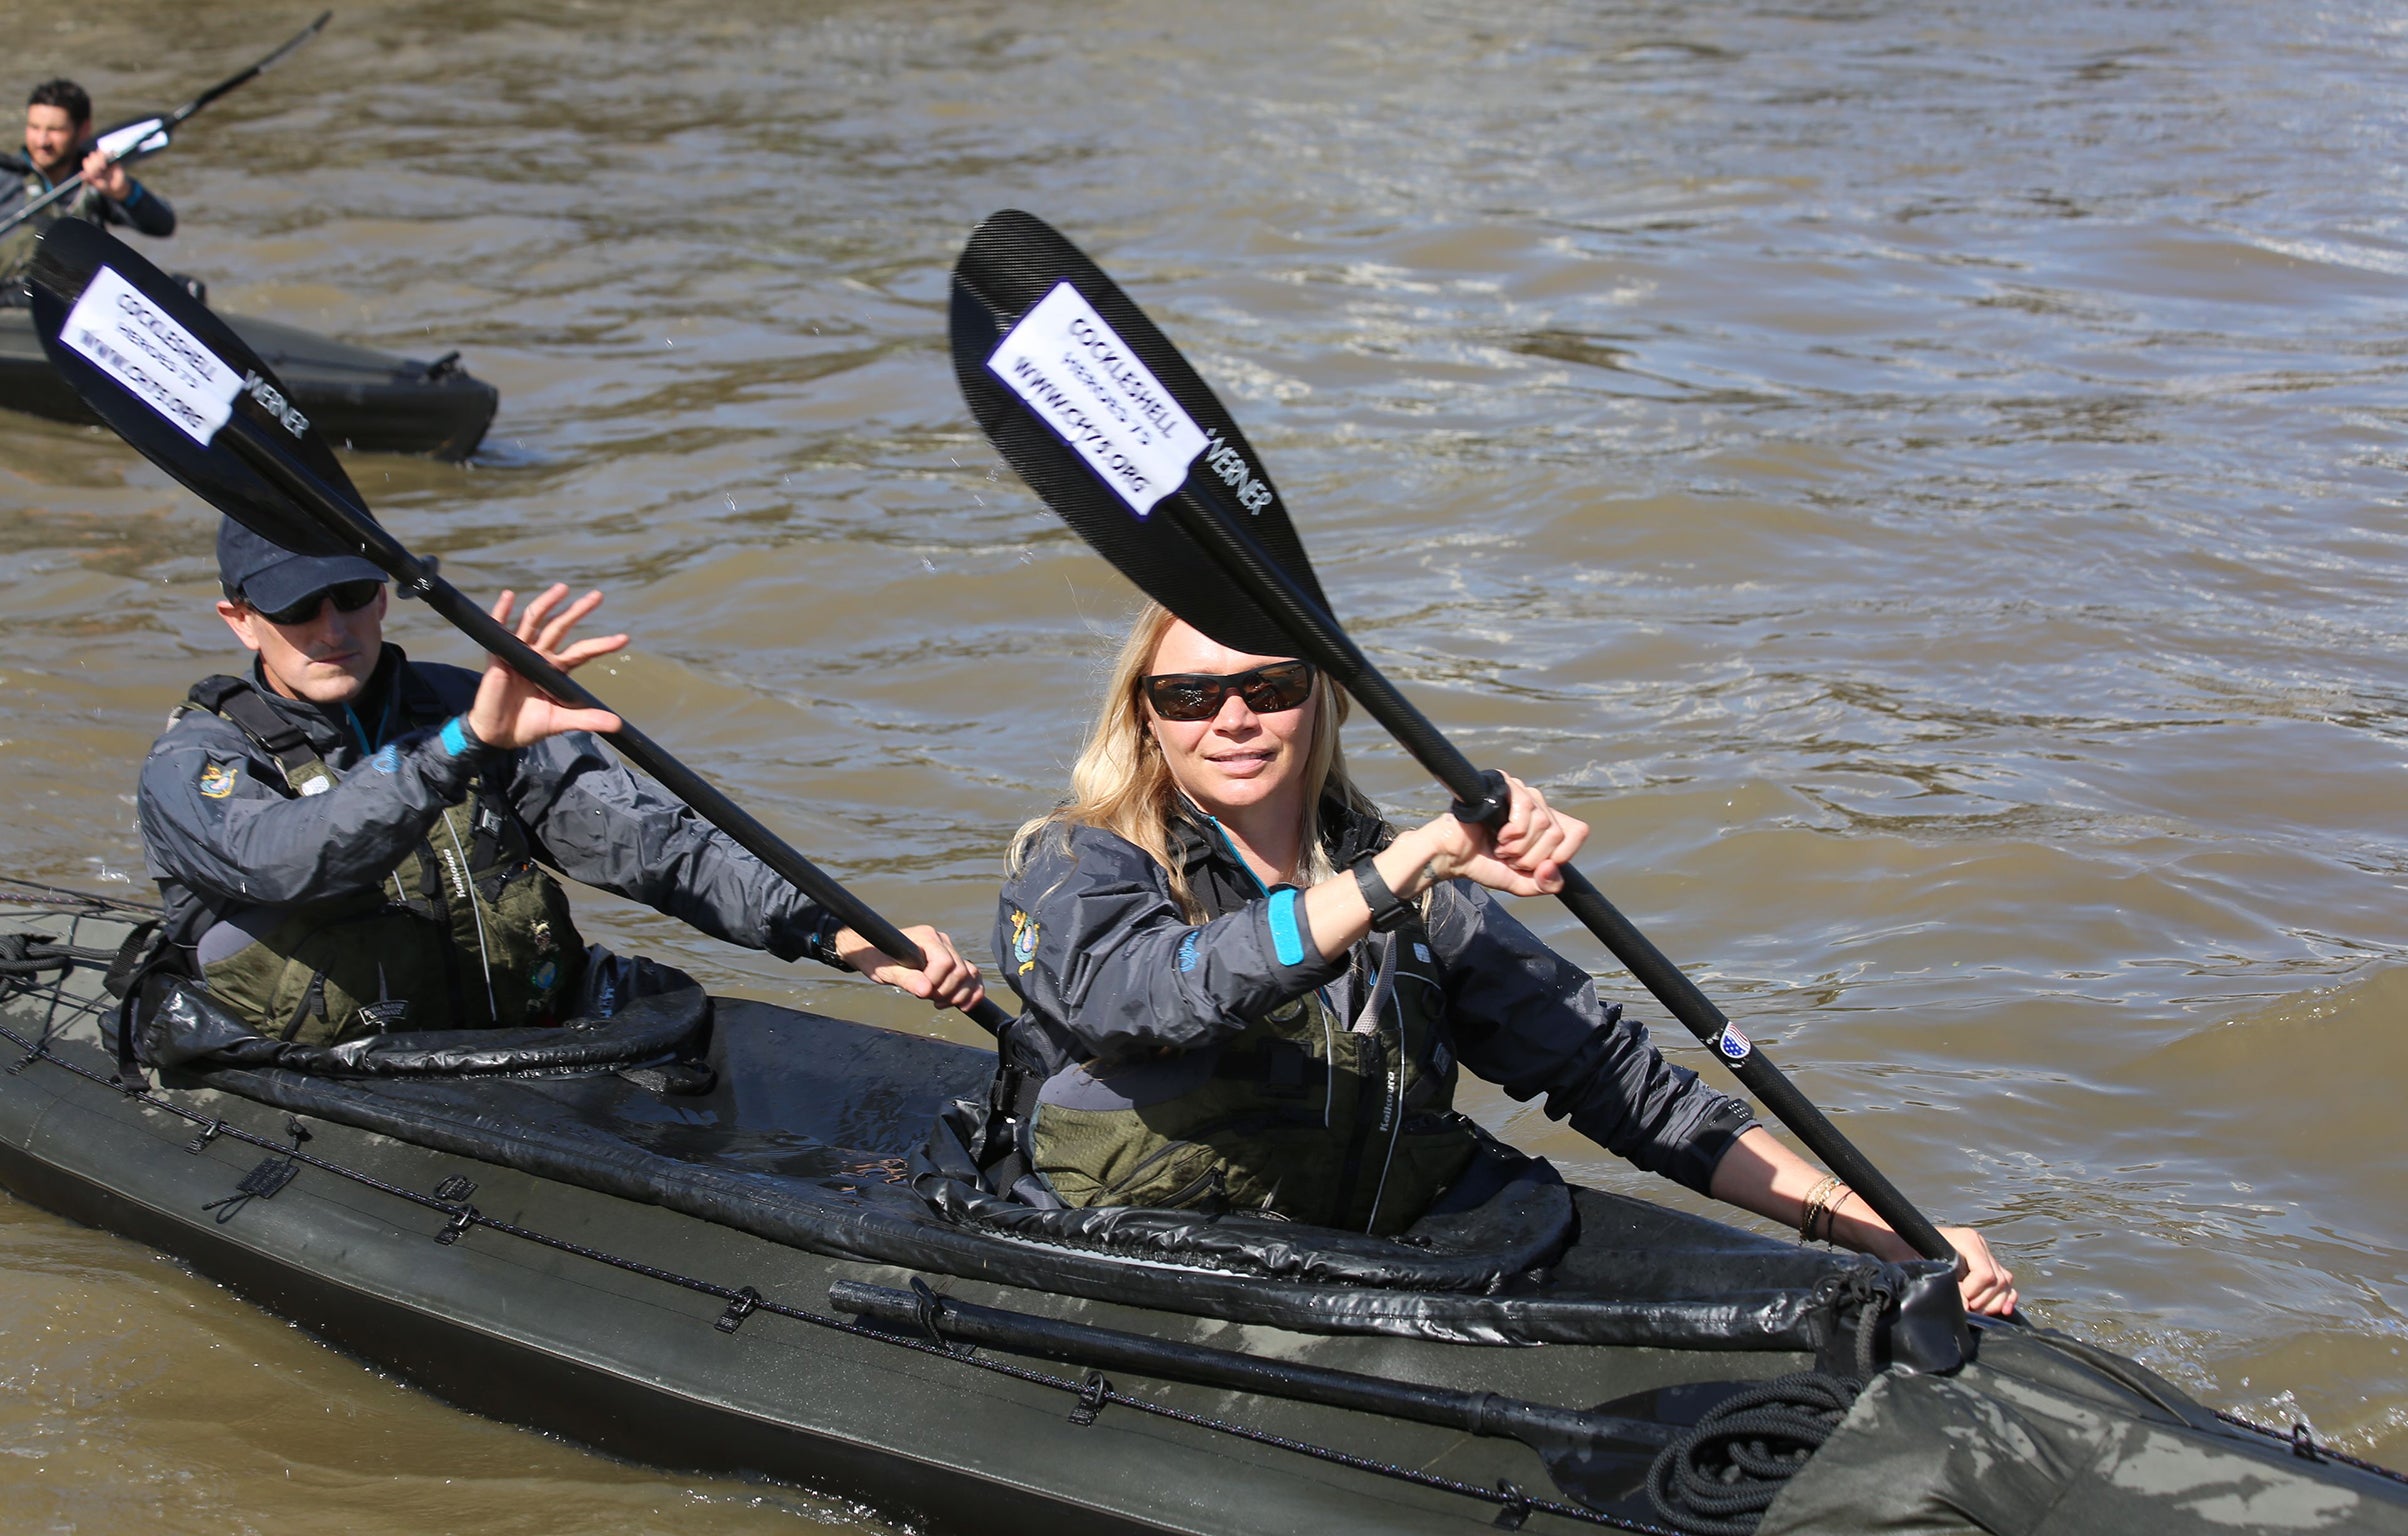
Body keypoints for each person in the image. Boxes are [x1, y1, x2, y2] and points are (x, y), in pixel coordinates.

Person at [996, 602, 2017, 1317]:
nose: (1231, 718)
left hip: (1359, 1257)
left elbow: (1616, 1082)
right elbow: (1144, 998)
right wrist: (1410, 862)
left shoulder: (1416, 896)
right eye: (1188, 695)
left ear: (1320, 703)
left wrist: (1878, 1229)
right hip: (1136, 1263)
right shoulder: (1075, 861)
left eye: (1269, 686)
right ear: (1145, 714)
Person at [135, 519, 983, 1045]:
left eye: (350, 594)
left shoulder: (470, 705)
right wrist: (458, 747)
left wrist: (841, 936)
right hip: (337, 1071)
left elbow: (657, 847)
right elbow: (285, 860)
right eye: (294, 609)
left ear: (384, 597)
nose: (331, 629)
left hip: (520, 1042)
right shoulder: (198, 763)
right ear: (237, 617)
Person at [2, 79, 177, 300]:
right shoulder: (5, 176)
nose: (42, 141)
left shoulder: (98, 179)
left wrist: (124, 192)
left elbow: (164, 225)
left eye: (55, 130)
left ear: (83, 130)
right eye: (34, 128)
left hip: (70, 305)